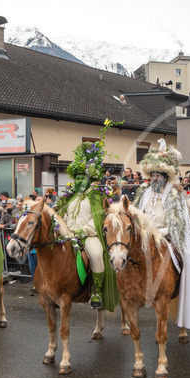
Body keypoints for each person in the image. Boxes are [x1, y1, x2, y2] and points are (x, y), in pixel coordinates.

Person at [130, 140, 190, 328]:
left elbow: (178, 222)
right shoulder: (144, 192)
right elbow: (137, 214)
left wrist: (159, 233)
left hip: (167, 236)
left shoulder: (174, 194)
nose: (155, 178)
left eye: (158, 175)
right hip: (145, 237)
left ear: (165, 176)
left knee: (187, 255)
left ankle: (184, 299)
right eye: (153, 175)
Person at [56, 126, 119, 310]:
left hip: (89, 235)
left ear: (89, 179)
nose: (78, 181)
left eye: (82, 178)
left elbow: (99, 218)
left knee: (97, 255)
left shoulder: (97, 196)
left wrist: (85, 231)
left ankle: (96, 291)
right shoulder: (70, 197)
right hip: (69, 234)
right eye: (76, 178)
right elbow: (62, 215)